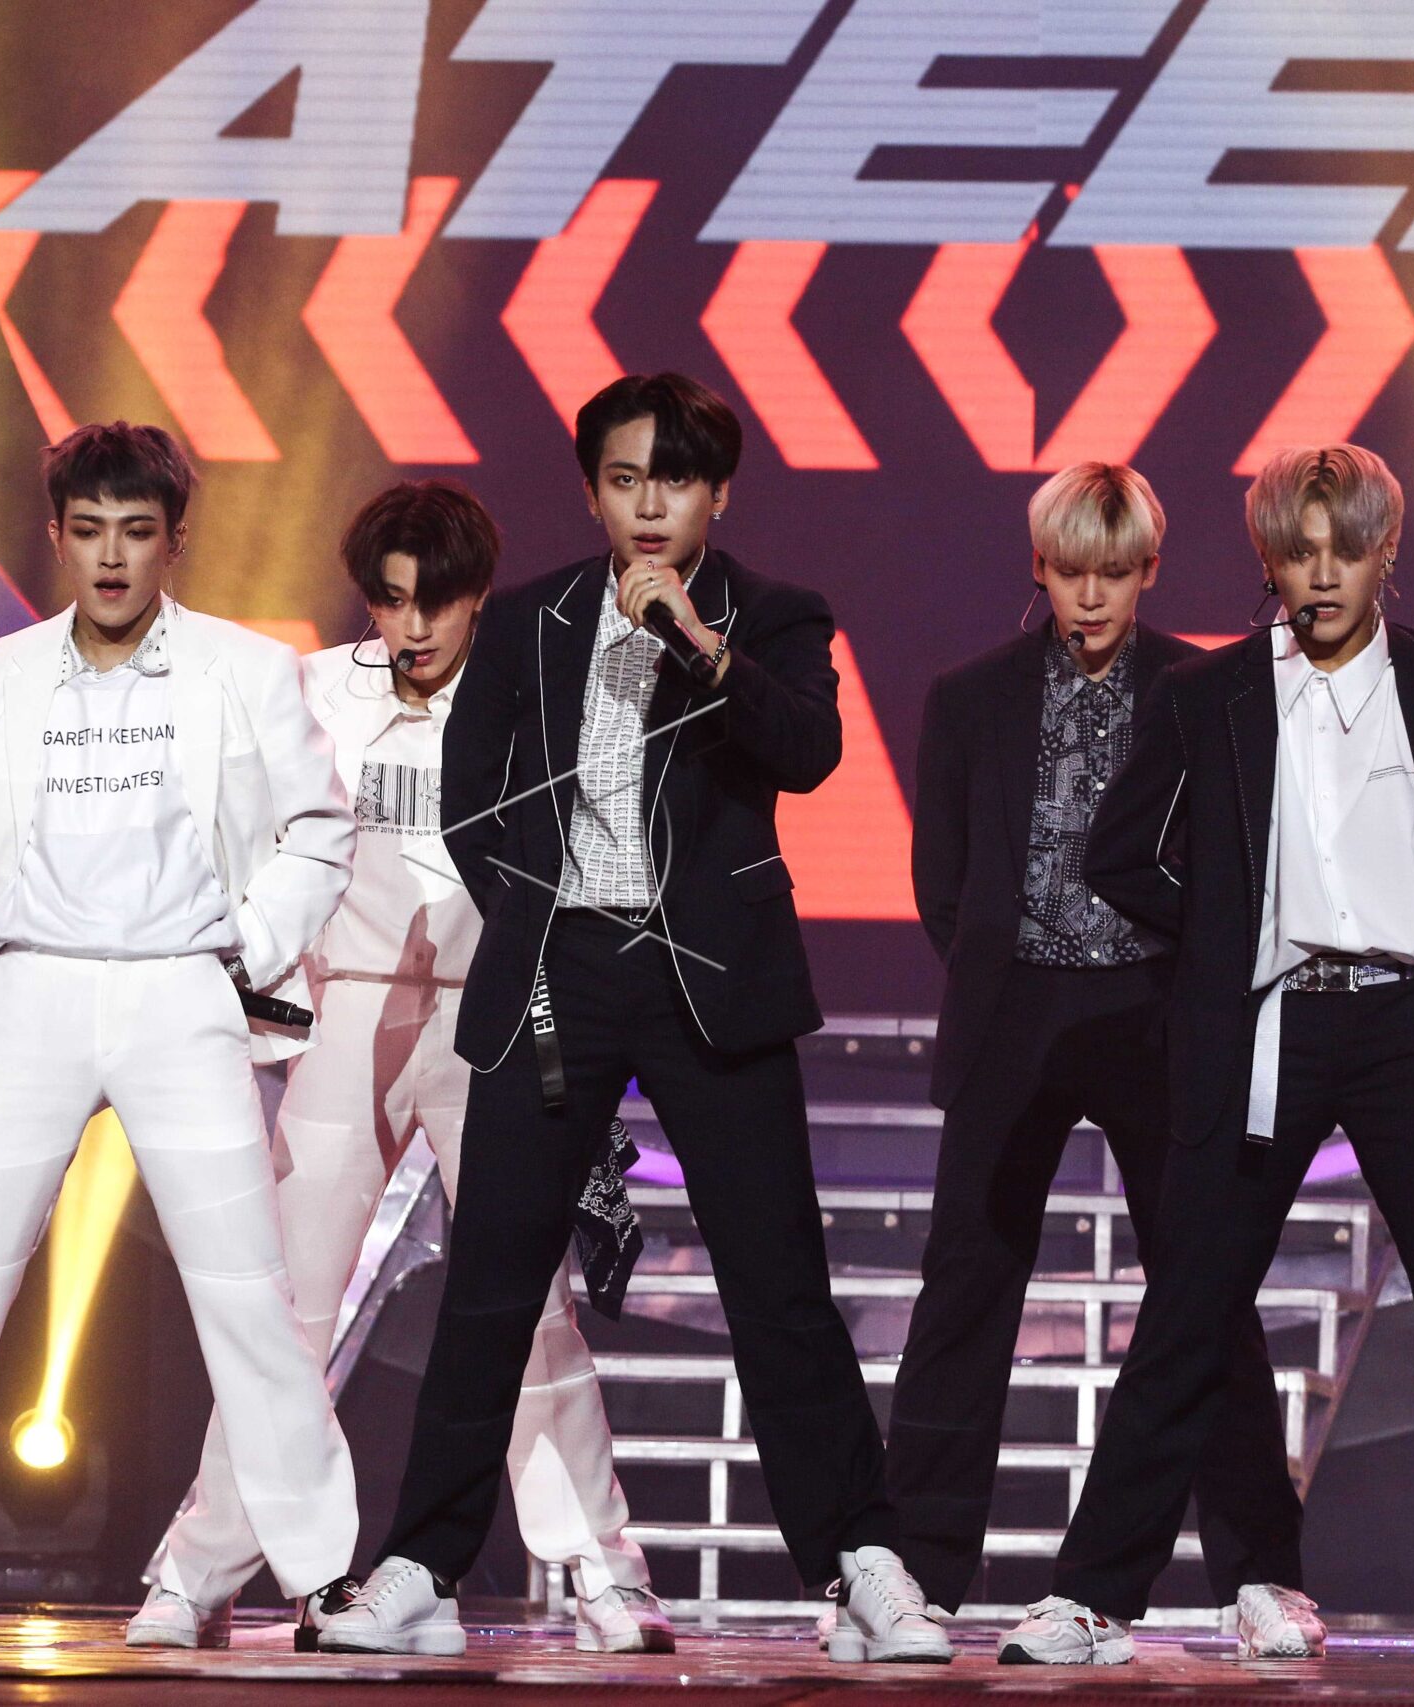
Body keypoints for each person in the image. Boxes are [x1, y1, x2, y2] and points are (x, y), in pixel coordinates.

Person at [319, 374, 949, 1665]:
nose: (647, 504)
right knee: (491, 1281)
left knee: (777, 1285)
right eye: (622, 478)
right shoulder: (530, 618)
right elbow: (472, 797)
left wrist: (700, 644)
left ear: (718, 492)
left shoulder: (772, 614)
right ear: (592, 491)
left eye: (672, 479)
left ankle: (859, 1563)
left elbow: (808, 749)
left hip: (710, 979)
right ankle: (420, 1565)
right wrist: (535, 917)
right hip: (563, 971)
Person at [1000, 446, 1414, 1665]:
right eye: (1297, 550)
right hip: (1270, 1024)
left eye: (1344, 548)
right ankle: (1092, 1593)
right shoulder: (1209, 694)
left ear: (1385, 551)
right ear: (1266, 558)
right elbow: (1119, 856)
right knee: (1190, 1307)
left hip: (1412, 1027)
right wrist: (1230, 938)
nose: (1320, 574)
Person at [0, 423, 361, 1642]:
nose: (110, 556)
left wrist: (242, 951)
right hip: (33, 994)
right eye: (88, 530)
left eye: (136, 532)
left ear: (172, 542)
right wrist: (7, 947)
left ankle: (322, 1576)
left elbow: (318, 828)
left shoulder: (248, 669)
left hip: (180, 993)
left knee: (247, 1298)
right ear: (55, 535)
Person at [139, 481, 666, 1654]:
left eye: (436, 601)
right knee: (284, 1308)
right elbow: (243, 848)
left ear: (480, 595)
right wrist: (261, 1005)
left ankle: (601, 1567)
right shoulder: (310, 691)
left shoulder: (534, 692)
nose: (413, 625)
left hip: (497, 1019)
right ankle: (200, 1570)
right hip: (345, 1012)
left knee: (530, 1308)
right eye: (390, 600)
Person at [890, 463, 1319, 1657]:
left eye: (1114, 574)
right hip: (1014, 1012)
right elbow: (945, 880)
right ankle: (917, 1570)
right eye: (1071, 572)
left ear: (1149, 572)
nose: (1090, 597)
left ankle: (1260, 1574)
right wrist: (1005, 969)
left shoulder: (1205, 689)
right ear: (1039, 567)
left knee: (1203, 1289)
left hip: (1154, 1011)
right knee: (966, 1286)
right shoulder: (968, 698)